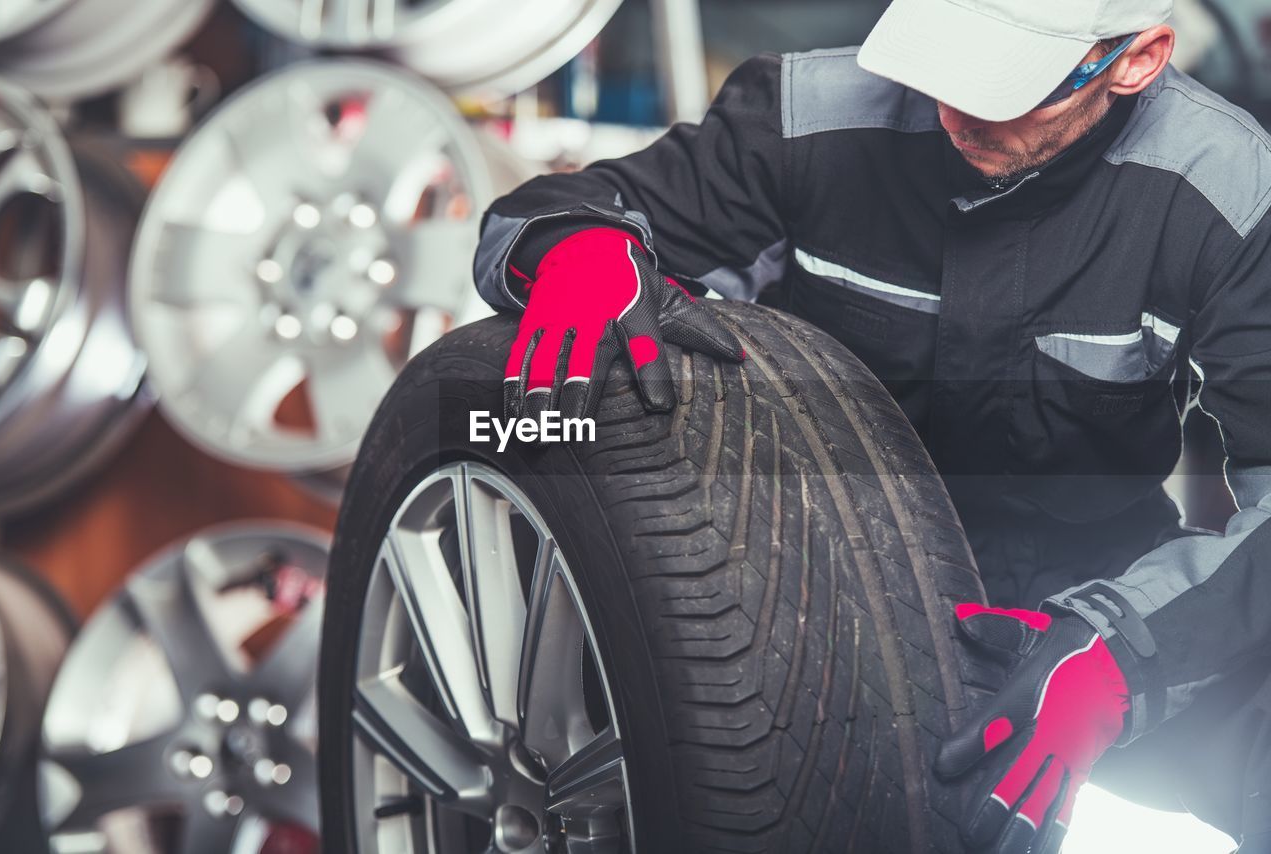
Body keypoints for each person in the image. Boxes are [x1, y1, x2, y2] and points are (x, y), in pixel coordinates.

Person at [471, 0, 1271, 851]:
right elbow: (553, 208)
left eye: (1006, 89)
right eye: (948, 64)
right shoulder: (809, 112)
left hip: (1070, 611)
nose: (957, 113)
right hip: (800, 580)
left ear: (1135, 61)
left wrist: (1124, 653)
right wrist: (570, 246)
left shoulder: (1228, 188)